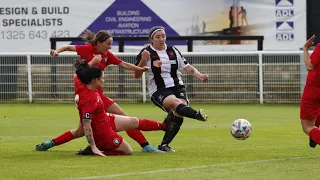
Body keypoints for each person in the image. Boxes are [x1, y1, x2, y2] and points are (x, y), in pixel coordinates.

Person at [35, 29, 162, 153]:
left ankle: (50, 143)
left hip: (98, 95)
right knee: (124, 120)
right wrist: (56, 52)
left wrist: (140, 69)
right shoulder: (87, 50)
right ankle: (144, 144)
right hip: (88, 96)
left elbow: (123, 64)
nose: (110, 47)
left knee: (82, 130)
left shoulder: (107, 56)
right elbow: (69, 50)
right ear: (99, 43)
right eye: (108, 44)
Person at [134, 26, 209, 152]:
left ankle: (164, 145)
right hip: (159, 90)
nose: (161, 39)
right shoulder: (146, 52)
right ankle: (196, 115)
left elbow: (187, 66)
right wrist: (143, 59)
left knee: (180, 112)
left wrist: (200, 76)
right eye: (158, 37)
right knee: (176, 104)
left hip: (177, 86)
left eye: (163, 36)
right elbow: (136, 75)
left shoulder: (173, 50)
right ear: (151, 39)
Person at [72, 59, 166, 156]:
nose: (104, 80)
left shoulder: (89, 87)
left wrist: (88, 66)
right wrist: (93, 147)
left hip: (106, 121)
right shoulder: (90, 98)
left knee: (132, 121)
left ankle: (163, 127)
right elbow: (86, 124)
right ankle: (94, 150)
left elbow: (76, 76)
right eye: (102, 78)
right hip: (103, 131)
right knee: (127, 150)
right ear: (95, 80)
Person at [300, 35, 320, 148]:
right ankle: (314, 137)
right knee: (316, 114)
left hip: (314, 89)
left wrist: (306, 48)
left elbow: (309, 66)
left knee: (307, 127)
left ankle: (314, 134)